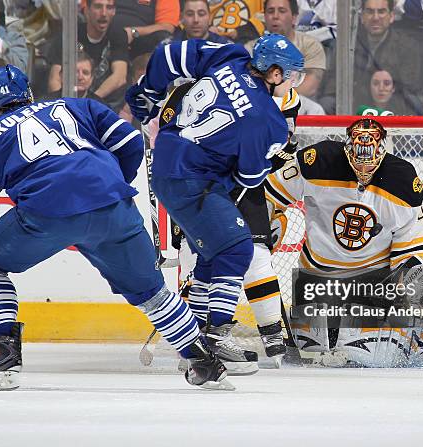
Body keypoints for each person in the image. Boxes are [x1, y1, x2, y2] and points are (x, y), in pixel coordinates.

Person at [0, 64, 233, 391]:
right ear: (30, 94)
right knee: (152, 292)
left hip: (49, 212)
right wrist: (109, 184)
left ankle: (3, 351)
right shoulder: (76, 106)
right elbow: (130, 141)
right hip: (114, 206)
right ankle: (204, 362)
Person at [125, 34, 305, 374]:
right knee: (238, 250)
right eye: (292, 74)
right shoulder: (268, 120)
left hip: (166, 162)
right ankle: (217, 338)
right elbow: (250, 178)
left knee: (212, 254)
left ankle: (194, 342)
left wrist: (147, 91)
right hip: (195, 181)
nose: (294, 81)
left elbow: (168, 54)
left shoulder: (231, 56)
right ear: (276, 74)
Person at [265, 118, 423, 367]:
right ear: (346, 148)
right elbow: (269, 195)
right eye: (357, 161)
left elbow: (414, 252)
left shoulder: (403, 182)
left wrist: (406, 290)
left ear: (382, 151)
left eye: (370, 164)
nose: (363, 171)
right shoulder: (317, 160)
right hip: (317, 278)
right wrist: (261, 228)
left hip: (372, 282)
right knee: (320, 347)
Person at [47, 0, 128, 112]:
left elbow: (119, 77)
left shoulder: (118, 34)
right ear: (87, 11)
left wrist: (88, 102)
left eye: (109, 7)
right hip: (66, 104)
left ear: (114, 11)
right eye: (98, 6)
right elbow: (55, 78)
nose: (104, 13)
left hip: (103, 104)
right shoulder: (70, 33)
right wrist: (63, 106)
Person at [245, 0, 326, 100]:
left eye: (282, 11)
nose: (275, 16)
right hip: (260, 104)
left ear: (294, 18)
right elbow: (246, 83)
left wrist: (278, 97)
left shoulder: (310, 45)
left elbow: (310, 87)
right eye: (270, 11)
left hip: (299, 104)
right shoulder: (251, 47)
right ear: (265, 17)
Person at [354, 0, 423, 115]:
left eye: (381, 12)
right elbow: (334, 83)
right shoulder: (349, 44)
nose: (375, 18)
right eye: (370, 12)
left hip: (393, 103)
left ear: (391, 16)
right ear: (362, 17)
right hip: (354, 101)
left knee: (414, 104)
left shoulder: (407, 46)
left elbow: (408, 87)